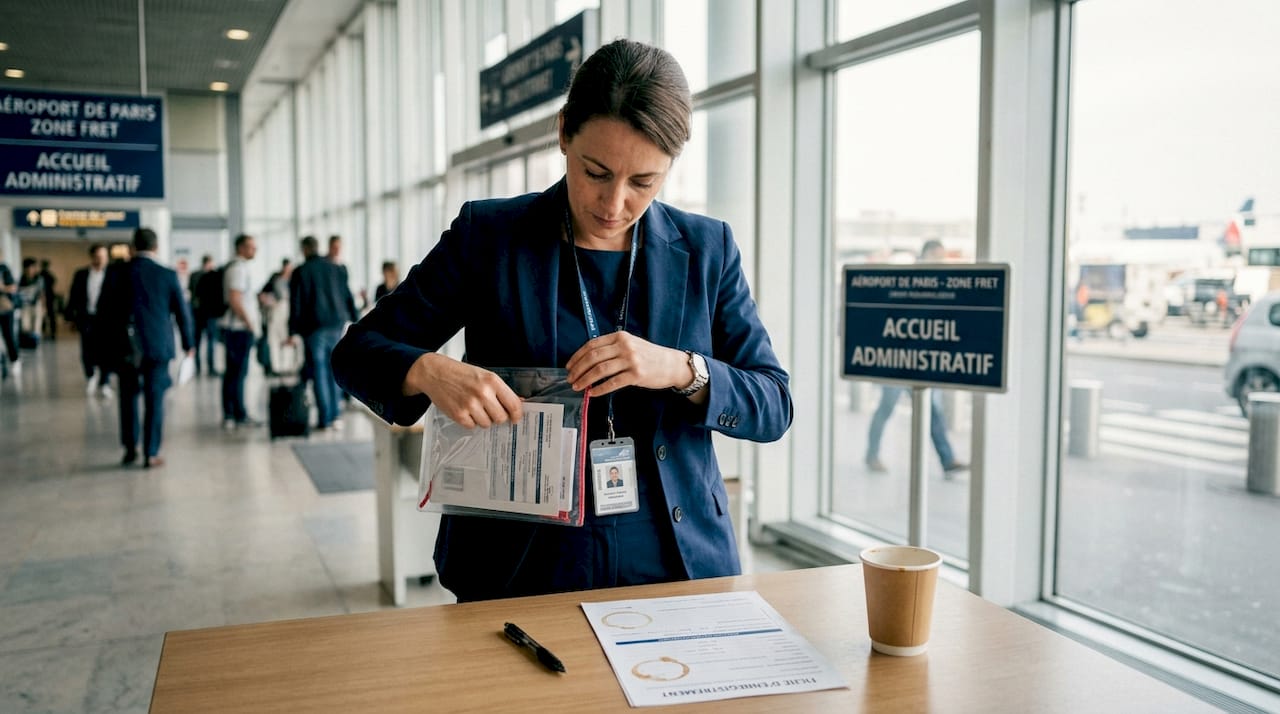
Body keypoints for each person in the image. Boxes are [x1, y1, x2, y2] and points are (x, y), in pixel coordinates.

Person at [332, 39, 792, 603]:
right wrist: (427, 370)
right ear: (563, 134)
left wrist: (681, 368)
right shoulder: (490, 238)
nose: (614, 203)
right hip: (518, 567)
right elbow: (355, 352)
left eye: (643, 183)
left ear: (670, 168)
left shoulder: (707, 249)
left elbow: (773, 403)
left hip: (676, 562)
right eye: (595, 171)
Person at [864, 239, 968, 476]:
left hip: (918, 362)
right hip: (894, 361)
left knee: (931, 412)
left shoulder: (937, 284)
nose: (941, 261)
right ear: (926, 255)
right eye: (937, 256)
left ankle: (947, 459)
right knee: (886, 408)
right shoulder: (906, 280)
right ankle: (872, 454)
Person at [98, 228, 194, 468]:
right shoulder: (167, 275)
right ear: (156, 247)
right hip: (157, 346)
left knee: (128, 398)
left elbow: (104, 313)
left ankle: (130, 448)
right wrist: (189, 344)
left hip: (125, 346)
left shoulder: (116, 272)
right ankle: (151, 452)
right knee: (155, 399)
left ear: (132, 246)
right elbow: (182, 313)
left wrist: (105, 347)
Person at [290, 236, 357, 430]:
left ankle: (325, 418)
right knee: (333, 369)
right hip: (336, 323)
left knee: (319, 371)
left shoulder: (301, 271)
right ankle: (335, 415)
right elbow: (346, 294)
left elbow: (297, 303)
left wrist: (292, 331)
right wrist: (356, 318)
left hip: (314, 327)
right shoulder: (336, 268)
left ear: (304, 249)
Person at [220, 234, 261, 430]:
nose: (255, 250)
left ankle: (234, 412)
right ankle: (236, 413)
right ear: (241, 248)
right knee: (236, 373)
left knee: (235, 373)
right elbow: (235, 299)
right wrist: (249, 323)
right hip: (238, 330)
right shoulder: (237, 269)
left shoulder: (238, 267)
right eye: (251, 247)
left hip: (237, 329)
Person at [66, 243, 114, 397]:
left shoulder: (113, 274)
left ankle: (104, 382)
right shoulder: (81, 274)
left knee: (107, 350)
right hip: (86, 317)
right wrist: (69, 317)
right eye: (99, 257)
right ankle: (91, 375)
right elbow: (73, 296)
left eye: (104, 257)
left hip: (106, 319)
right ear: (92, 257)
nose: (102, 260)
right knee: (87, 350)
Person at [191, 255, 223, 376]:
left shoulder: (194, 275)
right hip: (209, 313)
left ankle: (197, 367)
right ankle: (210, 367)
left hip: (197, 313)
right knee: (211, 341)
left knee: (197, 341)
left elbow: (193, 294)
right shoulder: (213, 277)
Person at [0, 253, 19, 377]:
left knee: (8, 335)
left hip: (4, 308)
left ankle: (14, 360)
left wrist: (1, 287)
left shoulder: (4, 269)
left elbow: (12, 288)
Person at [39, 259, 58, 338]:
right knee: (48, 315)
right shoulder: (46, 275)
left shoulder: (42, 275)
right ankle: (51, 331)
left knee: (48, 315)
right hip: (46, 297)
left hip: (48, 297)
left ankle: (47, 331)